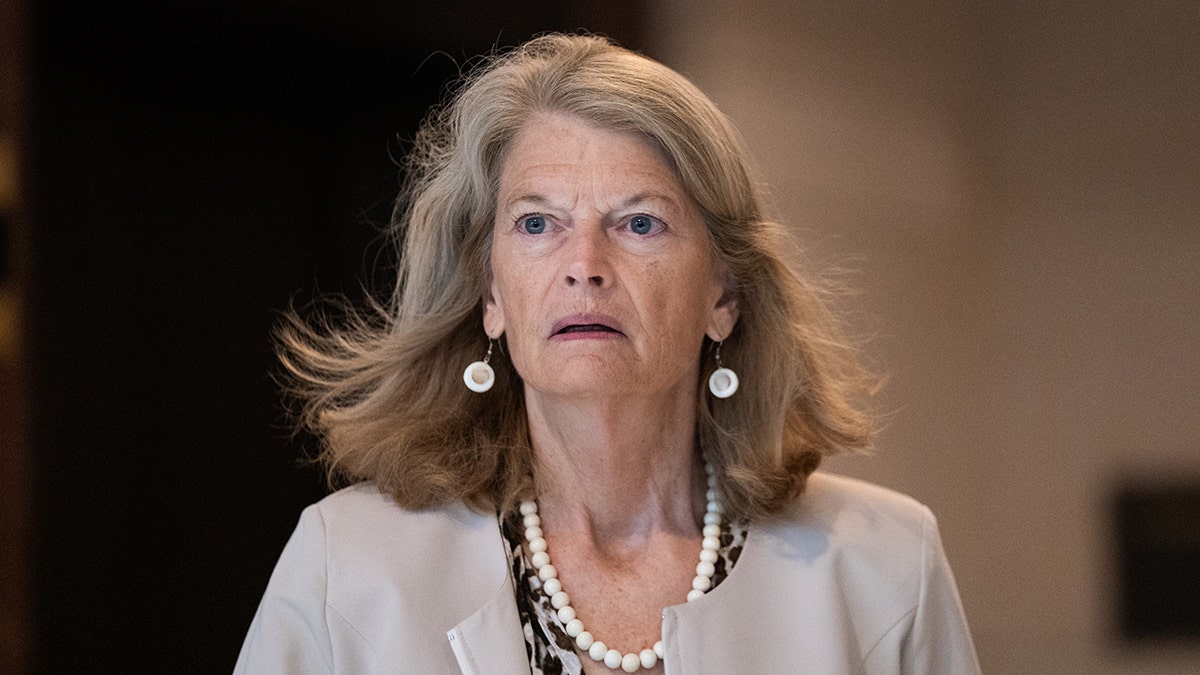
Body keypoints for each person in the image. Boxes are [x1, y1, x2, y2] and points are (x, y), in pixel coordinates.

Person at [235, 33, 981, 674]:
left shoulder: (885, 567)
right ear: (490, 294)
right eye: (536, 224)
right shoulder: (349, 565)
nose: (583, 263)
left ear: (725, 293)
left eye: (639, 224)